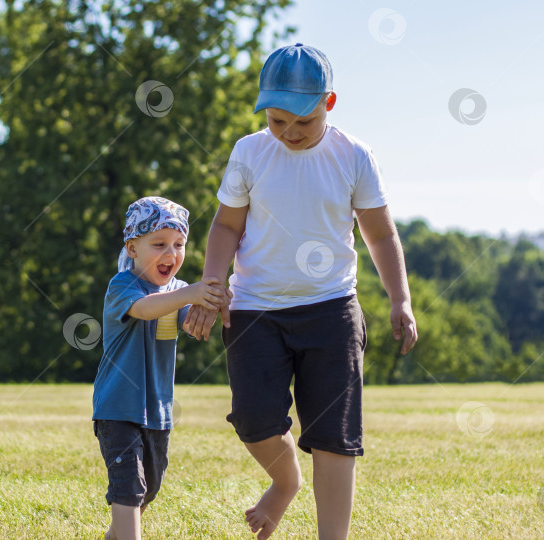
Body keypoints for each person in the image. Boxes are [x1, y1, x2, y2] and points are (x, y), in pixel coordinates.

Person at [184, 43, 418, 539]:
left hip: (331, 311)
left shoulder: (353, 156)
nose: (289, 132)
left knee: (335, 438)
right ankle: (284, 482)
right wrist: (213, 283)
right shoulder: (250, 152)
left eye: (302, 122)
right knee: (253, 418)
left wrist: (400, 298)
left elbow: (379, 234)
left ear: (328, 104)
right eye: (277, 120)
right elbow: (226, 226)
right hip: (254, 311)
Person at [92, 196, 229, 540]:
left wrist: (217, 306)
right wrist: (191, 295)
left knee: (147, 491)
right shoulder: (122, 286)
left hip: (158, 415)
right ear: (133, 248)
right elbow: (146, 309)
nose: (171, 253)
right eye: (159, 244)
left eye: (179, 244)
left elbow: (194, 324)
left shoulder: (180, 291)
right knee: (128, 492)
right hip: (118, 411)